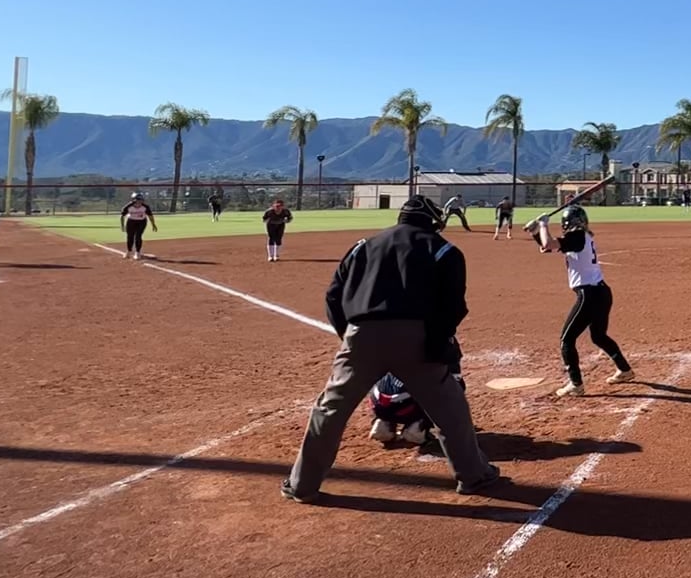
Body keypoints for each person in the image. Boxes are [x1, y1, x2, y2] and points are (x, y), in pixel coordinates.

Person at [283, 195, 500, 503]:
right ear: (434, 221)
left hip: (361, 334)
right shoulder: (444, 250)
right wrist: (436, 343)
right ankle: (473, 475)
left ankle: (302, 484)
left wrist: (350, 336)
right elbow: (453, 306)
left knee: (330, 410)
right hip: (417, 338)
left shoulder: (362, 246)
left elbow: (333, 296)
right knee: (450, 410)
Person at [528, 204, 634, 397]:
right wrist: (536, 232)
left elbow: (548, 244)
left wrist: (543, 224)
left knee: (566, 340)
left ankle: (576, 384)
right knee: (598, 336)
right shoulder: (580, 237)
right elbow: (547, 247)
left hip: (589, 295)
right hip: (601, 292)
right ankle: (624, 370)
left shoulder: (577, 236)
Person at [120, 192, 158, 260]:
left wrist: (153, 224)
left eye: (140, 200)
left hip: (141, 222)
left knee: (138, 236)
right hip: (131, 221)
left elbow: (150, 216)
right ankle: (129, 251)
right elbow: (122, 216)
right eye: (137, 200)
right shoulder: (128, 207)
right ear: (133, 200)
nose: (139, 202)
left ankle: (137, 253)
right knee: (130, 236)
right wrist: (122, 226)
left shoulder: (145, 207)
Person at [262, 198, 294, 262]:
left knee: (279, 238)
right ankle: (270, 256)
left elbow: (290, 218)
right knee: (271, 238)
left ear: (282, 206)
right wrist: (267, 220)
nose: (278, 208)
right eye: (277, 206)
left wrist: (287, 221)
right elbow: (264, 219)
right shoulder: (269, 211)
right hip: (271, 225)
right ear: (273, 206)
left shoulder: (286, 211)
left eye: (280, 206)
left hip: (280, 225)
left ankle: (276, 255)